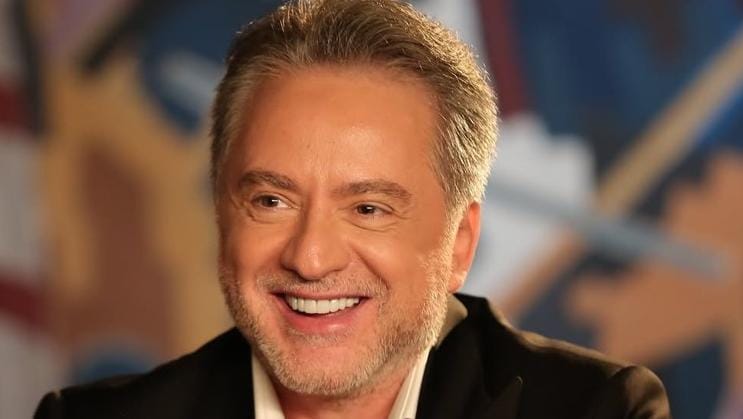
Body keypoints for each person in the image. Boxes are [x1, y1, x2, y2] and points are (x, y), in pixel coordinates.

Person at [35, 0, 671, 418]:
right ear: (224, 216)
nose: (311, 258)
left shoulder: (598, 411)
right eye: (271, 200)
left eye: (368, 208)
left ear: (459, 243)